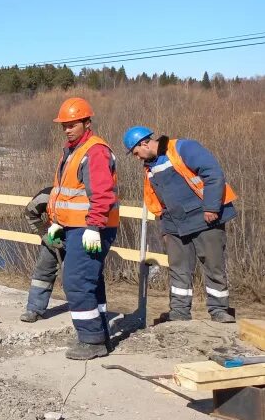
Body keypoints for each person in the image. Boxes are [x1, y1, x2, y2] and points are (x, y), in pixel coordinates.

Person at [123, 126, 237, 323]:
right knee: (178, 268)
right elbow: (160, 202)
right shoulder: (150, 168)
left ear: (144, 143)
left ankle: (219, 310)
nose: (137, 158)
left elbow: (214, 174)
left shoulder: (183, 148)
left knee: (213, 265)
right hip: (175, 224)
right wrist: (166, 229)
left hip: (206, 219)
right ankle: (179, 311)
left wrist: (211, 208)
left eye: (136, 153)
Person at [44, 97, 119, 359]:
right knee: (90, 281)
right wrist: (56, 222)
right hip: (76, 227)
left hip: (90, 228)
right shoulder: (72, 151)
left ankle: (91, 341)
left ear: (87, 122)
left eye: (72, 124)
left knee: (75, 281)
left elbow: (101, 193)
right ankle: (100, 336)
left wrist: (94, 227)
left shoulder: (94, 151)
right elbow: (67, 195)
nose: (67, 129)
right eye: (64, 125)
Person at [20, 186, 64, 323]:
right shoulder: (47, 195)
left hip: (80, 237)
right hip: (53, 234)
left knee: (77, 277)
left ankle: (85, 315)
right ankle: (34, 309)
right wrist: (44, 234)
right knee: (43, 272)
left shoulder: (88, 195)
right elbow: (29, 213)